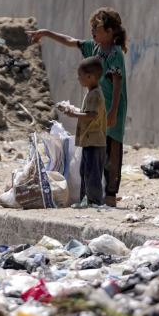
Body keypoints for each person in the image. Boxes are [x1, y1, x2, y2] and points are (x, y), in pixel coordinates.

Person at [30, 7, 128, 207]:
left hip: (111, 107)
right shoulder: (94, 47)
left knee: (113, 148)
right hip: (97, 106)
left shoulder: (115, 53)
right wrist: (47, 33)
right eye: (92, 28)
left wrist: (114, 111)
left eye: (97, 28)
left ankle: (110, 193)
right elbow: (71, 41)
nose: (93, 32)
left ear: (110, 32)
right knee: (96, 148)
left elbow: (118, 83)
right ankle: (93, 193)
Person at [57, 57, 107, 207]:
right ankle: (86, 199)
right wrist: (72, 110)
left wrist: (73, 115)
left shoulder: (94, 94)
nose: (78, 79)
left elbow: (92, 115)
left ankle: (94, 201)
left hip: (94, 142)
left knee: (92, 174)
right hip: (89, 141)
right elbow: (88, 113)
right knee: (85, 172)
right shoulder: (92, 92)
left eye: (80, 76)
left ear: (90, 77)